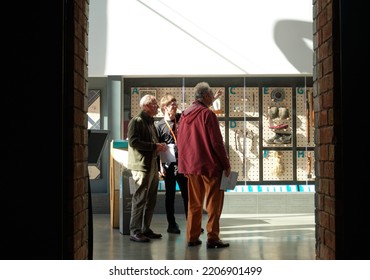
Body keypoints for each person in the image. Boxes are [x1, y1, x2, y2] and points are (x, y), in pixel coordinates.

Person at [177, 82, 231, 249]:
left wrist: (184, 165)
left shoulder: (184, 115)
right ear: (207, 96)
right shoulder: (208, 114)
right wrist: (226, 163)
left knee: (194, 203)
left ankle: (192, 236)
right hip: (210, 166)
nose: (212, 97)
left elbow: (182, 143)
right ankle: (213, 237)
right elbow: (217, 142)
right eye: (211, 95)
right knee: (214, 204)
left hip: (192, 167)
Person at [127, 94, 167, 242]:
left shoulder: (151, 123)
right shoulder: (136, 121)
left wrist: (158, 149)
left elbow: (152, 143)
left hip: (152, 165)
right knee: (140, 198)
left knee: (151, 199)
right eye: (154, 104)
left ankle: (145, 229)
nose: (157, 106)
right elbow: (133, 142)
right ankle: (135, 231)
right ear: (145, 106)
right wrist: (154, 146)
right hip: (141, 166)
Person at [155, 94, 189, 234]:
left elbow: (195, 111)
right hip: (168, 164)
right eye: (172, 104)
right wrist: (159, 167)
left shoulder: (181, 118)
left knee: (187, 195)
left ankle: (192, 224)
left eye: (175, 104)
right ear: (164, 107)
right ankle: (171, 224)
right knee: (170, 195)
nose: (175, 106)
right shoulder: (159, 126)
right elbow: (157, 148)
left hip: (183, 163)